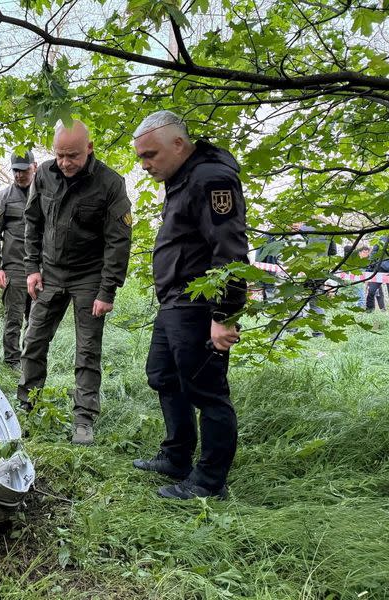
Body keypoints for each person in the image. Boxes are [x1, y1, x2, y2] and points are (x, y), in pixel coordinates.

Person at [131, 110, 248, 500]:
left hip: (200, 306)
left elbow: (229, 250)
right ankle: (177, 456)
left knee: (207, 390)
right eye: (141, 158)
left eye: (150, 155)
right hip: (175, 302)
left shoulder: (211, 178)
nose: (145, 165)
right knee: (163, 375)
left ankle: (210, 482)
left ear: (178, 144)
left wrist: (224, 315)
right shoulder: (181, 177)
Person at [17, 120, 132, 445]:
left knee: (87, 350)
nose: (66, 163)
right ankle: (28, 408)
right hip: (50, 274)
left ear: (90, 148)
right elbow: (33, 221)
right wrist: (32, 268)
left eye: (73, 156)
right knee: (34, 340)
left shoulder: (110, 184)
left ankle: (83, 420)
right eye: (60, 155)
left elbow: (118, 241)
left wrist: (106, 290)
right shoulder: (44, 175)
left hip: (89, 278)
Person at [0, 150, 37, 369]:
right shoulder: (3, 197)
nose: (19, 175)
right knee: (13, 319)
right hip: (14, 269)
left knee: (36, 321)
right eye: (15, 170)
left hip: (40, 269)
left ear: (34, 167)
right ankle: (12, 362)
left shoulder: (45, 195)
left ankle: (32, 361)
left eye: (23, 170)